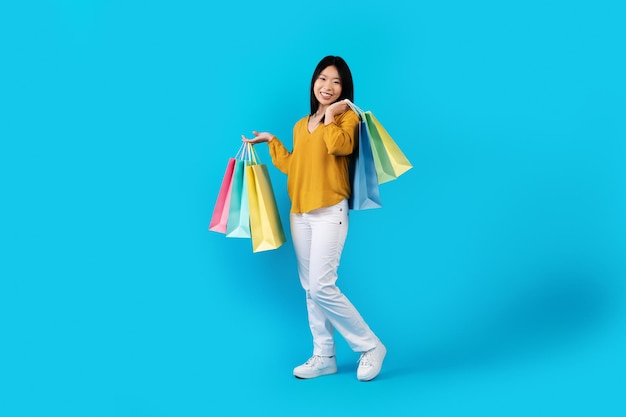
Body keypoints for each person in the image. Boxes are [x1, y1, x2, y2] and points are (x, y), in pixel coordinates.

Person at [242, 55, 386, 382]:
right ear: (314, 82)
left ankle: (371, 346)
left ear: (344, 89)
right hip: (300, 215)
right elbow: (297, 168)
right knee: (310, 288)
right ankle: (325, 355)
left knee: (322, 286)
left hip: (329, 212)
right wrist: (273, 142)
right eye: (323, 79)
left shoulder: (346, 118)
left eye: (336, 82)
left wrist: (332, 116)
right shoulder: (299, 125)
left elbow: (340, 147)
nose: (328, 86)